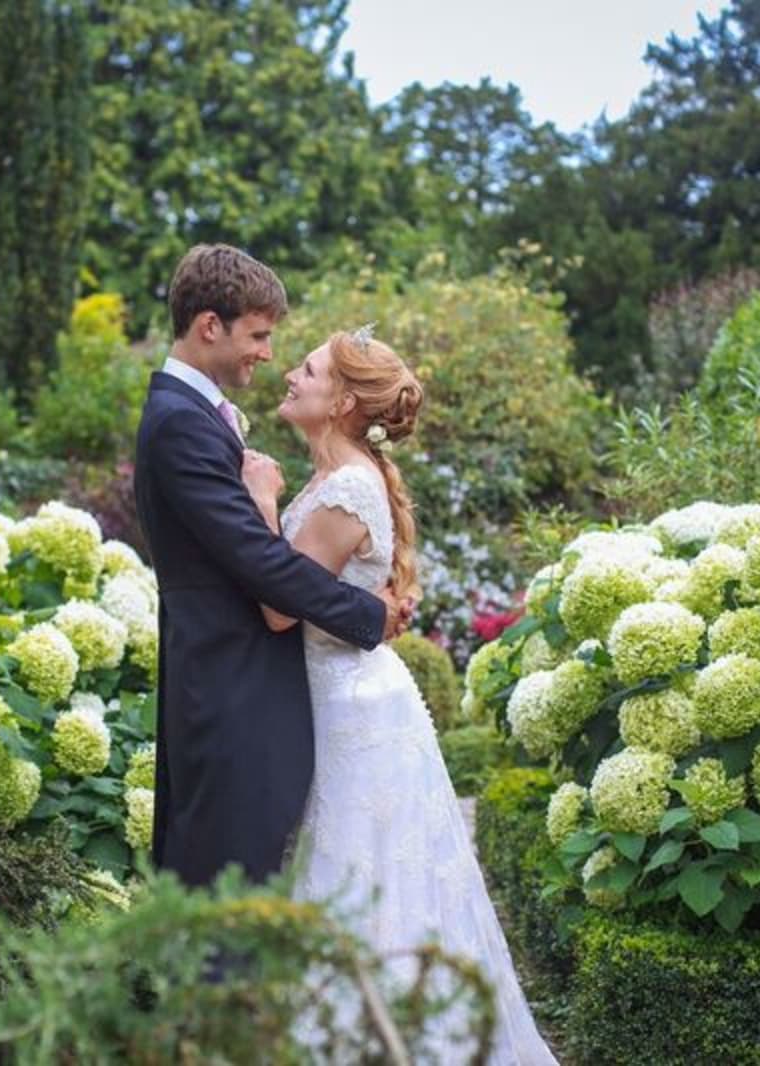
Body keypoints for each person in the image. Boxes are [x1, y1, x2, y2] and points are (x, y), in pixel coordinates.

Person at [246, 326, 558, 1065]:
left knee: (360, 880)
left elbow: (278, 607)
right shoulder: (342, 476)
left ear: (344, 399)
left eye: (309, 368)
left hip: (349, 706)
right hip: (352, 693)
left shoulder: (347, 485)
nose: (291, 373)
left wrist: (261, 500)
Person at [131, 244, 413, 889]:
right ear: (210, 326)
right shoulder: (181, 422)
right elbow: (260, 562)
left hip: (243, 690)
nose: (269, 354)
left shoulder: (195, 416)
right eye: (258, 335)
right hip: (229, 691)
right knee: (225, 890)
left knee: (240, 887)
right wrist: (369, 611)